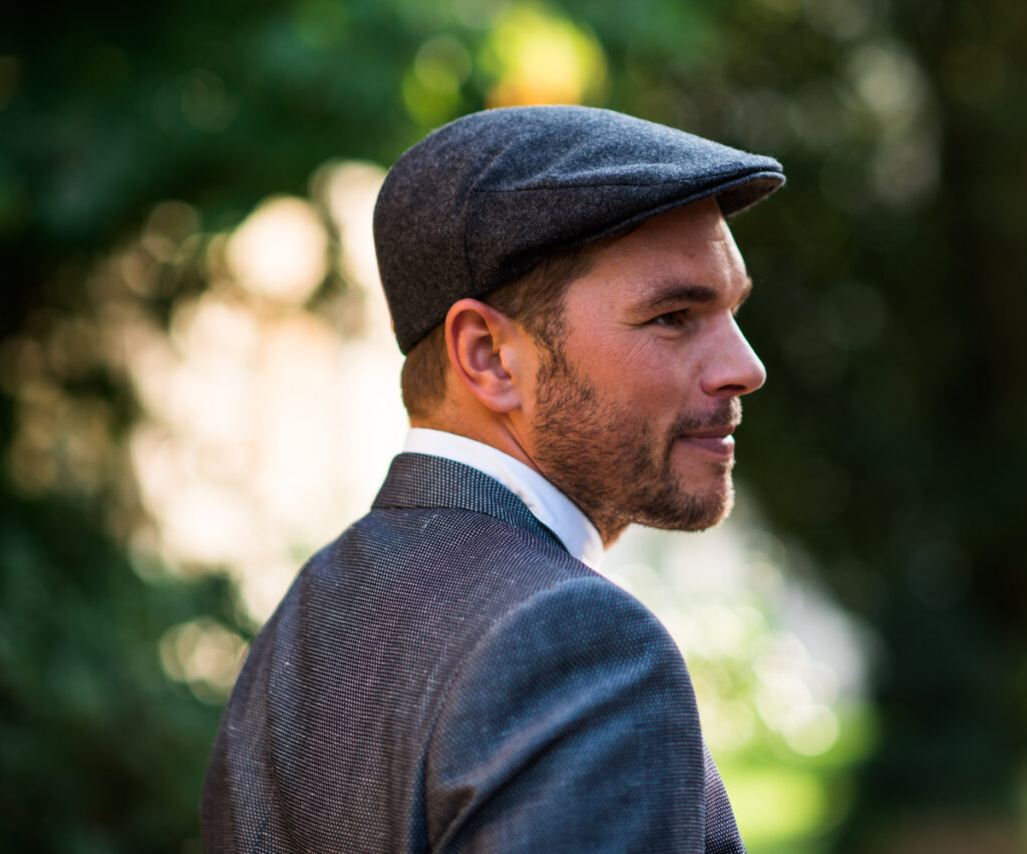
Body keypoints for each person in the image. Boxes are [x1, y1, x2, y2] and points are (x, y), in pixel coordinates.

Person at [201, 105, 784, 853]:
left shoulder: (308, 616)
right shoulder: (579, 640)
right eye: (673, 316)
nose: (745, 367)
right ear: (487, 356)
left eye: (732, 311)